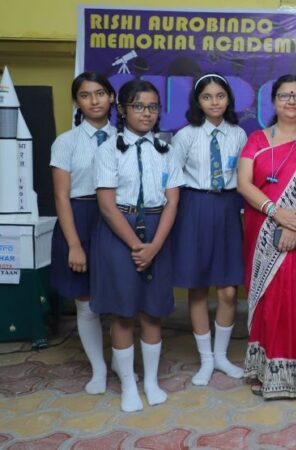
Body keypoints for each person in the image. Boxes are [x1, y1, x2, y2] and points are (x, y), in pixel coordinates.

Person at [239, 74, 296, 399]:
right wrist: (276, 213)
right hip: (262, 226)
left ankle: (290, 371)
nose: (291, 101)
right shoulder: (256, 139)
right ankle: (261, 367)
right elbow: (244, 184)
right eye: (284, 95)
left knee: (294, 295)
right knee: (266, 295)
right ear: (274, 101)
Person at [91, 79, 183, 412]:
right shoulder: (107, 149)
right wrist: (137, 245)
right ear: (122, 110)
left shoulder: (167, 149)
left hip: (158, 230)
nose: (147, 113)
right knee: (123, 311)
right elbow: (105, 204)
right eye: (139, 106)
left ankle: (151, 381)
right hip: (120, 232)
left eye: (153, 106)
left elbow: (173, 202)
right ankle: (129, 383)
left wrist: (154, 246)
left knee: (153, 311)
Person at [171, 74, 247, 386]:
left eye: (220, 95)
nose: (214, 102)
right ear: (197, 101)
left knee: (228, 289)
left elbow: (244, 177)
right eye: (207, 96)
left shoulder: (239, 134)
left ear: (228, 99)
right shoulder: (185, 136)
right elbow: (172, 180)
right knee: (198, 286)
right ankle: (205, 361)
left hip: (228, 208)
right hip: (193, 207)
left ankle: (221, 357)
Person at [50, 72, 116, 395]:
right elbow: (61, 196)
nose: (94, 101)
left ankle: (120, 358)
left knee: (118, 295)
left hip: (116, 219)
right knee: (86, 302)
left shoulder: (124, 138)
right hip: (79, 217)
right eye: (86, 95)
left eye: (101, 93)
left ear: (112, 97)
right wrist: (74, 244)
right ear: (77, 102)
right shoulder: (66, 142)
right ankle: (98, 368)